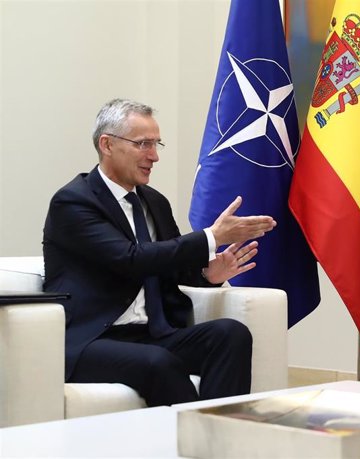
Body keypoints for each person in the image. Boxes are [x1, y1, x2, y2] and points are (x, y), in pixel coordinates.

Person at [43, 98, 277, 406]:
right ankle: (199, 445)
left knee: (230, 334)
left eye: (156, 144)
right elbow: (131, 260)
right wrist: (211, 236)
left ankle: (222, 433)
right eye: (143, 144)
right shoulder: (74, 202)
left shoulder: (153, 202)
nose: (153, 156)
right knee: (159, 362)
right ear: (107, 144)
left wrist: (209, 274)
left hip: (153, 332)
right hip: (93, 339)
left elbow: (171, 266)